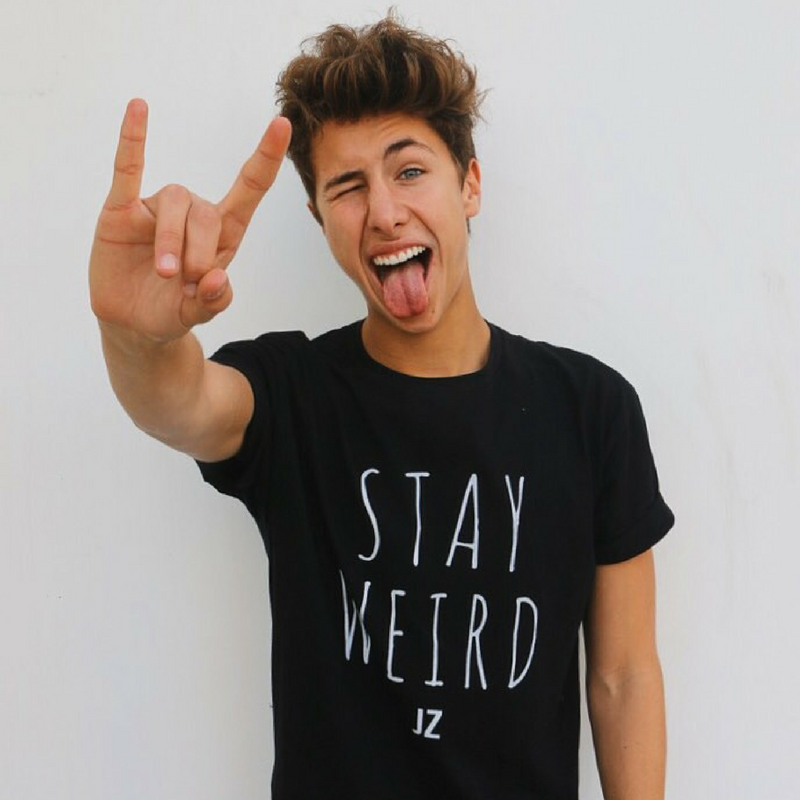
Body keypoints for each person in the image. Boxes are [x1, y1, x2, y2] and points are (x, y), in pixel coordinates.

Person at [90, 14, 674, 800]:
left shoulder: (592, 408)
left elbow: (623, 675)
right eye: (348, 187)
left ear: (469, 184)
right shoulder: (291, 393)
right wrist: (133, 333)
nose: (385, 213)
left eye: (409, 171)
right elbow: (179, 402)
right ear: (318, 217)